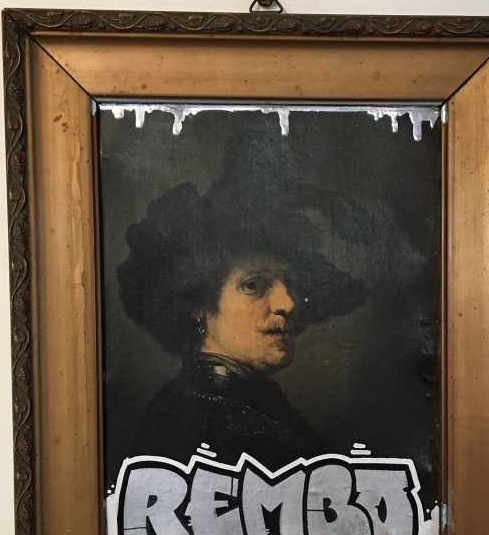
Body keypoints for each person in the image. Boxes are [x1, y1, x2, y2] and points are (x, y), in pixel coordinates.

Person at [117, 182, 365, 470]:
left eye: (291, 283)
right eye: (253, 285)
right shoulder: (197, 414)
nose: (287, 302)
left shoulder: (256, 404)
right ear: (196, 303)